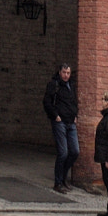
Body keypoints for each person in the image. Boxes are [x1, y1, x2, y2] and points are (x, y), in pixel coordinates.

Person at [43, 63, 79, 192]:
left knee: (75, 151)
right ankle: (58, 182)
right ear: (59, 72)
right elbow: (47, 102)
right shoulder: (54, 84)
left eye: (68, 73)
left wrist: (75, 114)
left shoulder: (72, 85)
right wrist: (55, 116)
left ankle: (63, 177)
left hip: (71, 122)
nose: (66, 75)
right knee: (63, 153)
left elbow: (74, 101)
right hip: (60, 122)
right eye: (64, 72)